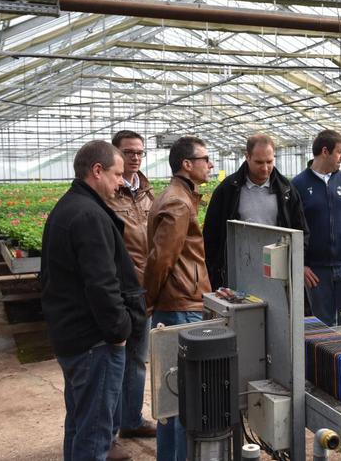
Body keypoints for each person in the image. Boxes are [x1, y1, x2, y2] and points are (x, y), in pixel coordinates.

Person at [41, 140, 146, 461]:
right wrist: (119, 331)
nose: (121, 182)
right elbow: (102, 284)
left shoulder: (69, 207)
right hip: (94, 342)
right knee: (95, 435)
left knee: (79, 423)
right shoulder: (88, 215)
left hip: (72, 336)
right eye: (116, 175)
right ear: (96, 171)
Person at [143, 136, 214, 461]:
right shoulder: (178, 203)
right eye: (205, 159)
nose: (210, 164)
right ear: (187, 164)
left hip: (177, 304)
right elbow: (161, 259)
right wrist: (150, 300)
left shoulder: (177, 196)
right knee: (184, 399)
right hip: (181, 307)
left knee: (171, 399)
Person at [104, 130, 156, 450]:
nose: (135, 157)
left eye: (140, 152)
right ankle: (107, 434)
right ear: (115, 154)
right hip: (119, 290)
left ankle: (132, 420)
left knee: (137, 359)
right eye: (129, 152)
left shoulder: (148, 193)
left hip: (145, 291)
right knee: (112, 362)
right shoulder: (108, 193)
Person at [203, 133, 309, 290]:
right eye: (259, 162)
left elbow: (301, 232)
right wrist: (215, 272)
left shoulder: (286, 190)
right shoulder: (228, 189)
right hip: (239, 271)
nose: (265, 168)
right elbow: (211, 235)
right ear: (247, 156)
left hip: (277, 272)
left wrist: (295, 263)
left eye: (269, 162)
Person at [292, 129, 341, 327]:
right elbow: (289, 228)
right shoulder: (298, 185)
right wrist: (300, 265)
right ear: (325, 151)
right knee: (324, 327)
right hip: (316, 272)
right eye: (340, 151)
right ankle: (329, 359)